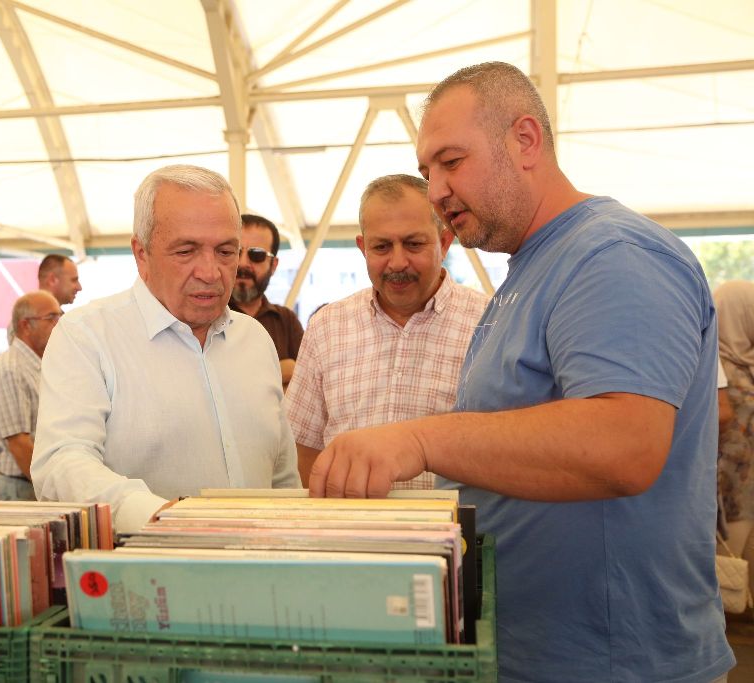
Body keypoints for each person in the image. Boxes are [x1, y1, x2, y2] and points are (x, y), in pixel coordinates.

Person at [309, 62, 733, 682]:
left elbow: (625, 445)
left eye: (452, 162)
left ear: (525, 140)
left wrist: (420, 439)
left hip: (613, 662)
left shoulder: (612, 255)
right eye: (428, 172)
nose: (436, 191)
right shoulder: (532, 269)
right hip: (535, 651)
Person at [32, 164, 300, 533]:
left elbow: (282, 475)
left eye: (225, 251)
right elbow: (61, 462)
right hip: (143, 562)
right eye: (186, 251)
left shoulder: (255, 340)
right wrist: (158, 516)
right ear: (141, 253)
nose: (210, 272)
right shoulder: (86, 337)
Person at [286, 175, 487, 487]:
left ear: (445, 243)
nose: (397, 262)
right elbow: (303, 446)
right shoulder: (327, 326)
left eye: (413, 244)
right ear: (363, 248)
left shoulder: (487, 324)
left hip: (455, 517)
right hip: (349, 517)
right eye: (381, 247)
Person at [0, 291, 63, 501]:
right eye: (51, 318)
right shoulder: (11, 370)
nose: (59, 324)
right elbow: (19, 444)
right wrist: (50, 491)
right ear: (26, 325)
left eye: (60, 316)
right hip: (20, 488)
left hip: (30, 484)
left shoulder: (38, 365)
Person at [229, 214, 304, 387]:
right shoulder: (205, 316)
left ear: (274, 265)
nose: (243, 263)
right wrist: (283, 369)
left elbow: (307, 381)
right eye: (235, 252)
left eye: (257, 255)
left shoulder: (286, 320)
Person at [715, 281, 754, 563]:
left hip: (748, 487)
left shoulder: (745, 364)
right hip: (727, 492)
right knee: (729, 572)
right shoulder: (714, 369)